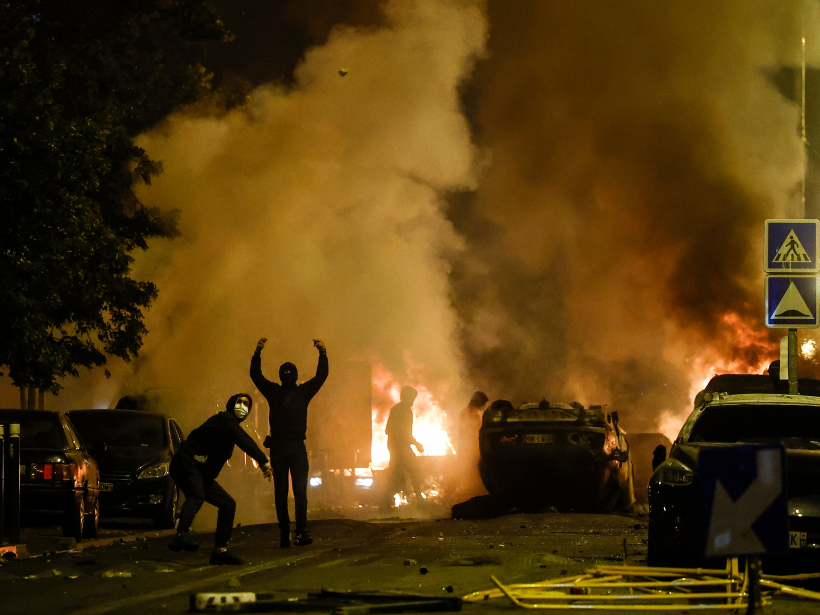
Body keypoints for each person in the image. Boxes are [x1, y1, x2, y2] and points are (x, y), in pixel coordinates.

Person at [168, 393, 272, 565]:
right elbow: (244, 440)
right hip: (186, 462)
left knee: (228, 504)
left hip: (199, 471)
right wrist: (263, 461)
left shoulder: (229, 430)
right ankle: (181, 535)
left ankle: (220, 551)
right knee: (197, 495)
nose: (242, 407)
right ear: (231, 404)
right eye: (240, 403)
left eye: (246, 405)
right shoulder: (225, 419)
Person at [251, 337, 328, 548]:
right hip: (296, 448)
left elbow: (255, 376)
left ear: (281, 376)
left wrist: (257, 352)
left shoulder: (273, 392)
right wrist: (322, 353)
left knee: (281, 493)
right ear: (295, 377)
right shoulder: (303, 392)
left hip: (278, 448)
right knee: (300, 493)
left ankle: (284, 534)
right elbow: (321, 376)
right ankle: (300, 532)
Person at [385, 385, 424, 503]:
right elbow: (402, 432)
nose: (412, 402)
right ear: (405, 397)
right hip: (399, 447)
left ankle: (388, 499)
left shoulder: (397, 409)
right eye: (412, 398)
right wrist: (416, 443)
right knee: (414, 470)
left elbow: (389, 430)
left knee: (397, 473)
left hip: (396, 446)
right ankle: (418, 498)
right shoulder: (404, 411)